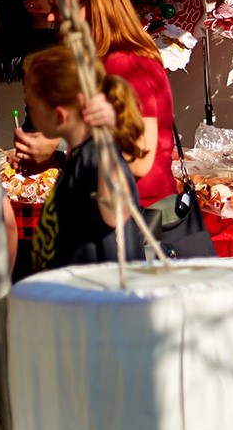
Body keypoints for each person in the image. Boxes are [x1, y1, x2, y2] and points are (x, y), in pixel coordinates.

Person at [11, 0, 177, 208]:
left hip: (141, 223)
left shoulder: (123, 64)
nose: (53, 17)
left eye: (62, 8)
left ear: (94, 6)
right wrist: (50, 155)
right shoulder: (102, 63)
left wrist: (57, 149)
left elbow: (136, 159)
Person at [23, 45, 147, 272]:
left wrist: (108, 138)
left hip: (97, 301)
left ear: (59, 115)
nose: (30, 114)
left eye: (31, 107)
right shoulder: (80, 156)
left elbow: (116, 211)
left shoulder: (96, 156)